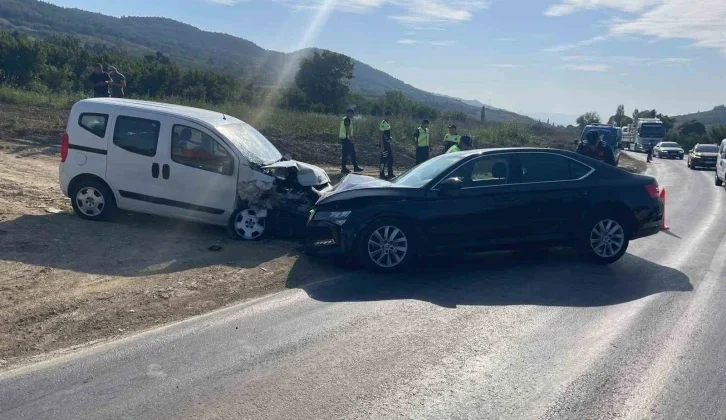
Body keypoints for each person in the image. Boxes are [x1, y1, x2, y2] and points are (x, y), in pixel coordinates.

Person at [339, 108, 363, 174]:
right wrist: (351, 138)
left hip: (345, 138)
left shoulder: (346, 119)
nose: (353, 115)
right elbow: (347, 129)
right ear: (349, 113)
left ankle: (345, 168)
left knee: (345, 154)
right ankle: (355, 167)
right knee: (352, 153)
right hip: (346, 138)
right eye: (352, 113)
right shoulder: (347, 119)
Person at [379, 110, 394, 179]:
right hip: (384, 144)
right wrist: (381, 145)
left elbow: (386, 134)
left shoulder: (388, 123)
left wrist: (389, 137)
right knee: (383, 160)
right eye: (390, 116)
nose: (390, 117)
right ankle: (382, 174)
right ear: (386, 116)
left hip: (388, 143)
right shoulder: (383, 123)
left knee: (390, 159)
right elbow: (381, 135)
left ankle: (390, 174)